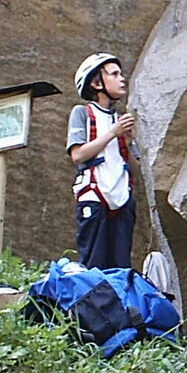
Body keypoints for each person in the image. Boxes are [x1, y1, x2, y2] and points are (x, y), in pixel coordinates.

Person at [67, 52, 142, 269]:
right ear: (96, 82)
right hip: (94, 197)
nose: (122, 79)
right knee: (94, 265)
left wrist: (127, 144)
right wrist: (112, 133)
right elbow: (78, 155)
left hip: (122, 199)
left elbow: (137, 172)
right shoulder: (83, 113)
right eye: (114, 74)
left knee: (121, 267)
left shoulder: (121, 120)